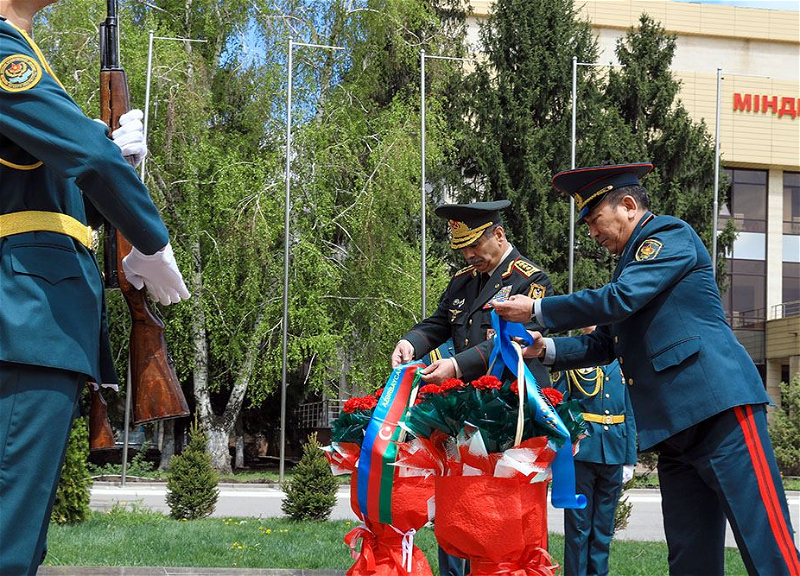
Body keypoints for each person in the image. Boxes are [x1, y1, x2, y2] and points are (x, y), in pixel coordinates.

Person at [492, 163, 800, 576]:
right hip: (674, 432)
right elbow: (605, 342)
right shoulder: (630, 266)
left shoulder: (668, 236)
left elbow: (618, 299)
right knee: (689, 558)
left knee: (766, 545)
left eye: (595, 220)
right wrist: (543, 347)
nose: (592, 233)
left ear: (628, 205)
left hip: (720, 413)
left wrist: (537, 309)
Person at [0, 2, 190, 573]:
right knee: (9, 537)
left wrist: (112, 164)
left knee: (21, 535)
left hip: (39, 316)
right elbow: (86, 157)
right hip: (27, 318)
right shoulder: (5, 53)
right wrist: (151, 239)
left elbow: (53, 199)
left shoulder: (24, 49)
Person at [391, 200, 554, 576]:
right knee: (459, 511)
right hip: (468, 416)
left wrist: (456, 365)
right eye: (463, 248)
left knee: (503, 520)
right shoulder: (463, 281)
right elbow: (438, 323)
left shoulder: (530, 280)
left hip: (511, 418)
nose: (469, 255)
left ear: (499, 234)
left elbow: (511, 342)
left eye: (475, 245)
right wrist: (410, 343)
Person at [551, 326, 636, 576]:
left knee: (603, 528)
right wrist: (560, 451)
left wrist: (629, 458)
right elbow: (560, 406)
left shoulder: (623, 360)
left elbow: (629, 412)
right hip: (582, 452)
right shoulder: (574, 361)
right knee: (578, 528)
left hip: (615, 451)